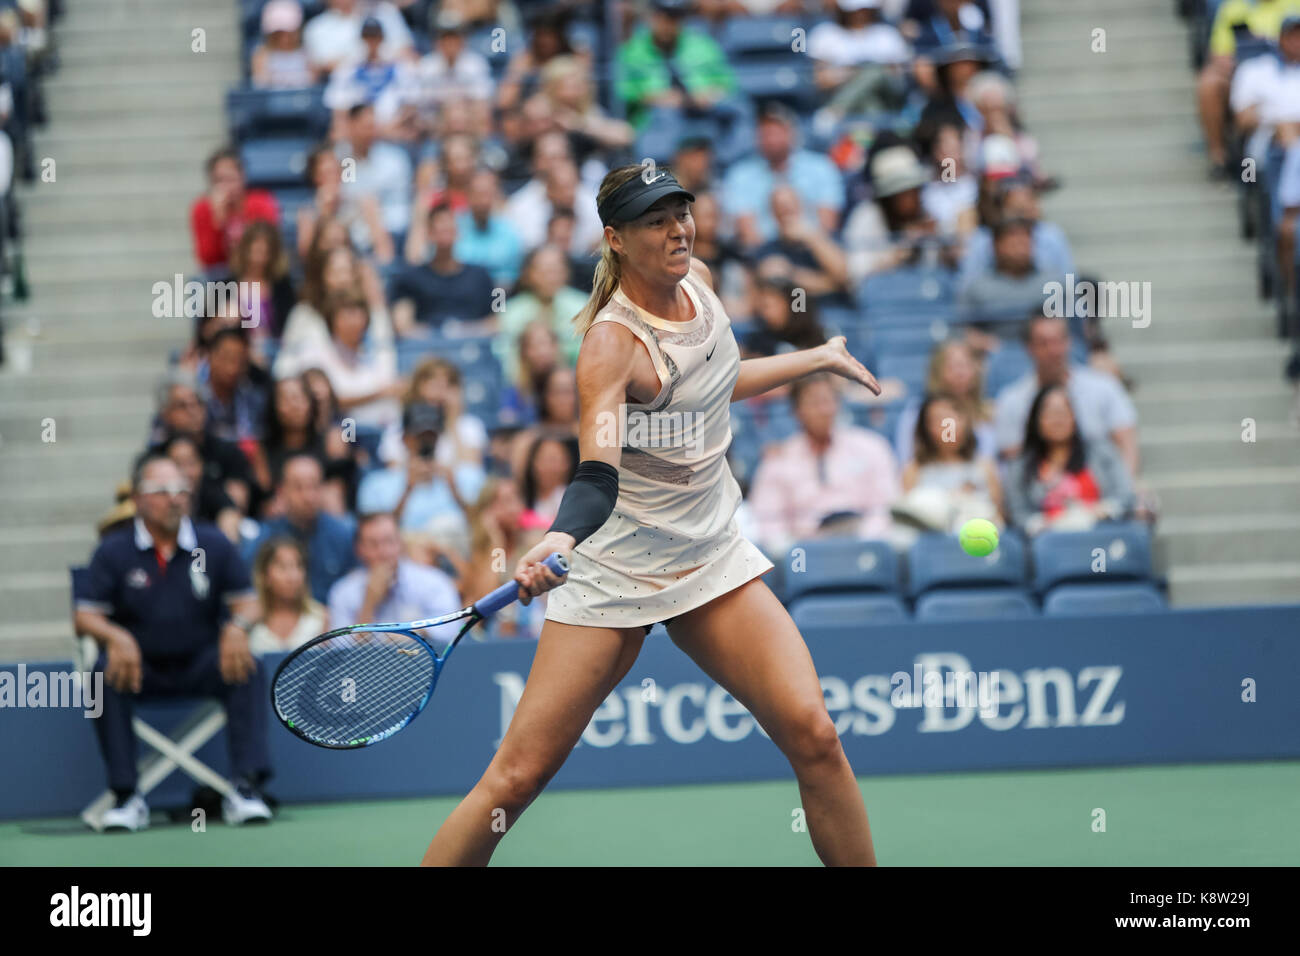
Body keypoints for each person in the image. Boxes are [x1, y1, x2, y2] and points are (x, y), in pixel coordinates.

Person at [420, 164, 882, 866]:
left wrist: (815, 357)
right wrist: (556, 536)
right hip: (614, 568)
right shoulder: (611, 344)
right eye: (655, 221)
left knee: (815, 736)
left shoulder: (697, 285)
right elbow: (597, 473)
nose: (678, 230)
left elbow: (717, 383)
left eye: (680, 213)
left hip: (709, 558)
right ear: (615, 239)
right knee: (516, 780)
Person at [73, 455, 273, 831]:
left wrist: (238, 626)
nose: (175, 498)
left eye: (182, 490)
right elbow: (84, 615)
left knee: (248, 666)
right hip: (137, 669)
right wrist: (115, 636)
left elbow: (249, 601)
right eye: (162, 491)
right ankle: (126, 795)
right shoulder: (113, 550)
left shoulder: (213, 543)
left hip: (203, 663)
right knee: (101, 674)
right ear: (138, 498)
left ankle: (246, 788)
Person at [748, 372, 901, 555]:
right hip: (804, 551)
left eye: (829, 401)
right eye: (814, 403)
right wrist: (800, 548)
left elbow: (887, 507)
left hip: (864, 545)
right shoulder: (778, 461)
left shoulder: (871, 447)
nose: (824, 410)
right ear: (796, 411)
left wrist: (862, 542)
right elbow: (768, 522)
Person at [994, 313, 1139, 475]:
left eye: (1058, 341)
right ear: (1029, 348)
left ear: (1069, 341)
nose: (1053, 350)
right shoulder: (1011, 400)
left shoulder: (1105, 387)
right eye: (1044, 343)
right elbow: (1013, 463)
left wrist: (1124, 490)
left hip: (1103, 490)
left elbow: (1127, 443)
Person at [1003, 384, 1138, 534]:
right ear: (1036, 420)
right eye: (1050, 413)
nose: (1057, 420)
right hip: (1049, 543)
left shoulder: (1100, 452)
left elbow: (1124, 495)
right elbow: (1018, 513)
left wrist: (1104, 510)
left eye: (1062, 412)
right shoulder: (1021, 466)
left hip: (1099, 536)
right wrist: (1044, 523)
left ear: (1074, 416)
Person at [357, 401, 486, 557]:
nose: (425, 443)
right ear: (404, 439)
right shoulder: (375, 484)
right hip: (405, 557)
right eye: (418, 437)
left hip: (457, 555)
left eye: (431, 436)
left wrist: (454, 489)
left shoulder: (467, 477)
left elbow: (482, 528)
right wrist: (407, 489)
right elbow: (376, 536)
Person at [243, 453, 358, 604]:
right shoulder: (264, 538)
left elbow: (356, 589)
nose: (308, 496)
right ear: (282, 491)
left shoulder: (344, 534)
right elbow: (249, 590)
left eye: (315, 486)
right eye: (299, 487)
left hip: (334, 622)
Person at [326, 511, 461, 631]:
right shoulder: (343, 593)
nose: (384, 552)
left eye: (389, 541)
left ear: (400, 543)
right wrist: (368, 604)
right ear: (359, 549)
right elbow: (342, 653)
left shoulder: (434, 582)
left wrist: (417, 632)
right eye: (373, 544)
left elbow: (452, 631)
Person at [898, 391, 1004, 531]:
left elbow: (998, 518)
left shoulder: (985, 467)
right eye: (939, 420)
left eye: (955, 417)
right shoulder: (913, 470)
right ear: (925, 428)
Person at [389, 201, 497, 332]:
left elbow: (498, 317)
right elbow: (402, 325)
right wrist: (437, 335)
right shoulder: (410, 278)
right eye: (439, 229)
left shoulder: (481, 275)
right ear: (429, 233)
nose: (444, 232)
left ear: (457, 232)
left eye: (449, 228)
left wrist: (465, 331)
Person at [189, 147, 281, 272]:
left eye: (231, 179)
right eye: (219, 180)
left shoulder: (261, 203)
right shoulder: (202, 209)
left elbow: (268, 248)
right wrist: (218, 222)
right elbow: (208, 260)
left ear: (242, 177)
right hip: (222, 279)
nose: (226, 187)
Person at [247, 537, 329, 655]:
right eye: (283, 567)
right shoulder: (248, 620)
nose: (293, 577)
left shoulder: (321, 616)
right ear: (264, 576)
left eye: (299, 566)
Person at [250, 0, 317, 89]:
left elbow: (312, 82)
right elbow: (260, 84)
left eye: (288, 33)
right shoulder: (261, 55)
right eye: (278, 34)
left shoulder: (307, 53)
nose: (284, 38)